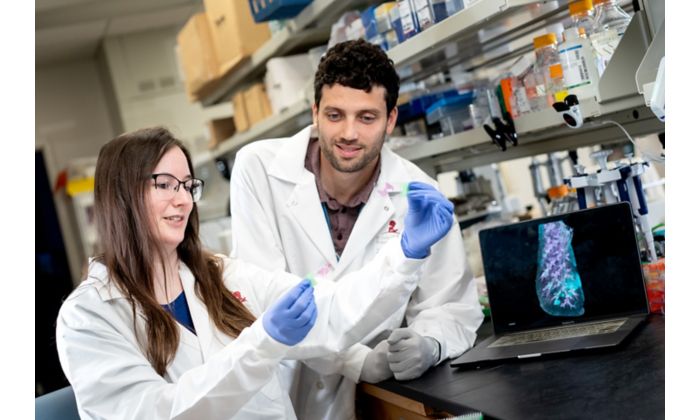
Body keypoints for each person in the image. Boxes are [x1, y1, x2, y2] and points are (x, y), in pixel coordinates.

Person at [54, 127, 457, 419]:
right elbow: (159, 413)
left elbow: (331, 309)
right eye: (164, 184)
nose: (182, 200)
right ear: (120, 195)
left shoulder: (220, 275)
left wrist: (406, 254)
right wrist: (264, 342)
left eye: (187, 185)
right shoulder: (89, 316)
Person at [229, 39, 484, 419]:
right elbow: (264, 303)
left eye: (366, 118)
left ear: (391, 119)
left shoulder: (421, 194)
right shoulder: (258, 169)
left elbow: (451, 305)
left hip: (368, 402)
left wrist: (429, 341)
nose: (348, 133)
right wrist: (358, 361)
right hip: (276, 393)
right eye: (335, 115)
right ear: (315, 112)